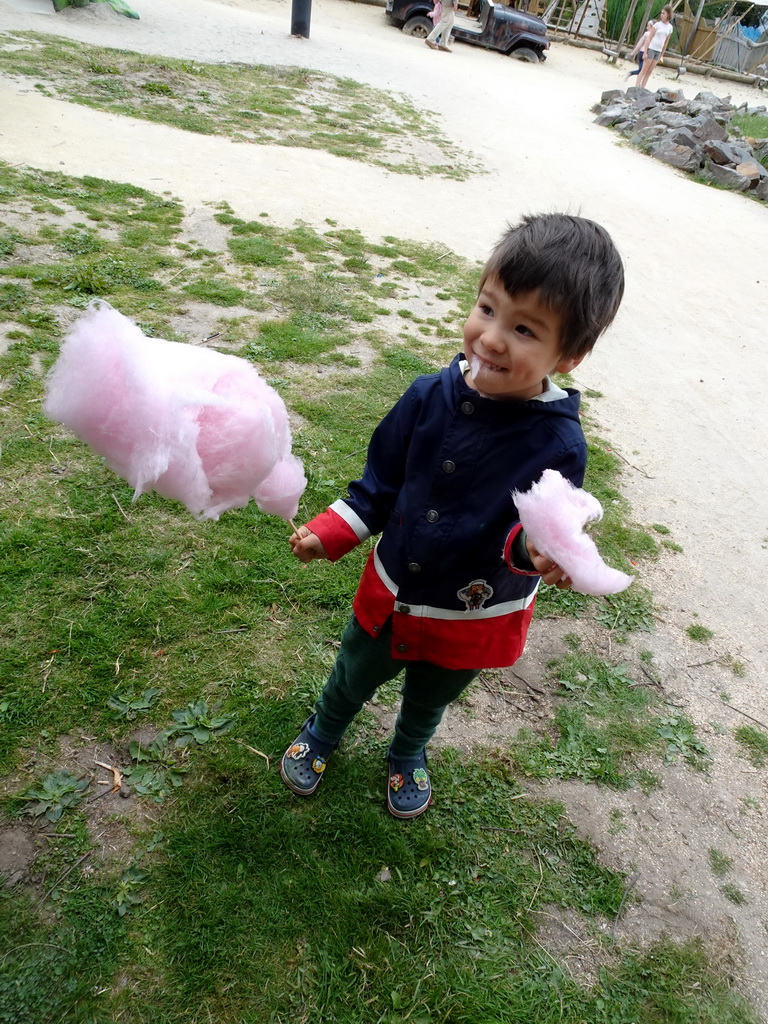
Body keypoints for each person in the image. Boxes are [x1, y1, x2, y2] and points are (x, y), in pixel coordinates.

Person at [281, 213, 625, 819]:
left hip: (474, 604)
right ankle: (325, 727)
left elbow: (530, 533)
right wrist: (333, 531)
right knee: (355, 669)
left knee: (435, 692)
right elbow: (382, 483)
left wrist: (541, 554)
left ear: (568, 355)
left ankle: (408, 751)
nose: (491, 338)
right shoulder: (426, 397)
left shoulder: (559, 446)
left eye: (523, 328)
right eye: (487, 309)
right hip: (396, 591)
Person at [637, 6, 673, 89]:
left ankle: (643, 87)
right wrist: (645, 52)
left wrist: (662, 54)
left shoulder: (670, 27)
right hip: (652, 49)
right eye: (661, 13)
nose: (662, 15)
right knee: (644, 70)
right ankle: (636, 87)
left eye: (664, 13)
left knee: (649, 72)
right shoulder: (657, 25)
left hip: (658, 51)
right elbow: (649, 38)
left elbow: (666, 41)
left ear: (668, 14)